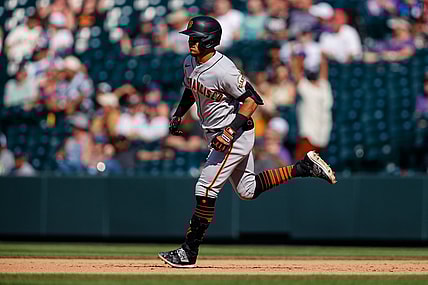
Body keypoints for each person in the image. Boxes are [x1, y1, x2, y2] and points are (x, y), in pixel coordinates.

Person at [158, 16, 337, 268]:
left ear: (209, 41)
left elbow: (253, 99)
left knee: (205, 189)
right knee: (247, 190)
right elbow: (191, 88)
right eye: (190, 37)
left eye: (195, 38)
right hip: (217, 133)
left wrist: (230, 131)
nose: (191, 42)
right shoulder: (190, 62)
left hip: (233, 134)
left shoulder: (224, 68)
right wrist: (179, 113)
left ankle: (189, 252)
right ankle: (303, 167)